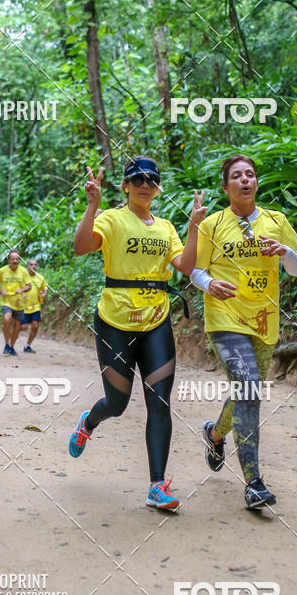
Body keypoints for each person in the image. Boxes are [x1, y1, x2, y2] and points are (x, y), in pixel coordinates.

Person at [69, 156, 207, 511]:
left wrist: (193, 227)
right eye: (138, 179)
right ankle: (89, 421)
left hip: (156, 320)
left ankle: (157, 485)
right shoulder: (113, 218)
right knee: (116, 404)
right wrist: (92, 206)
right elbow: (82, 247)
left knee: (159, 401)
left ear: (157, 187)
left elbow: (186, 267)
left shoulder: (165, 228)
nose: (145, 184)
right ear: (126, 186)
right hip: (114, 321)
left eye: (152, 179)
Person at [191, 155, 297, 510]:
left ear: (256, 183)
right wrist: (210, 284)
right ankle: (254, 482)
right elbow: (195, 270)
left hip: (264, 322)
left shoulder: (277, 221)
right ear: (226, 187)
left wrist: (285, 250)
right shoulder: (212, 224)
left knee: (247, 391)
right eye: (237, 176)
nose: (245, 180)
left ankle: (215, 433)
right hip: (225, 319)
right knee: (249, 386)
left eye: (250, 175)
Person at [0, 250, 31, 355]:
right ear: (9, 260)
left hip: (19, 303)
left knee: (16, 325)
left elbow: (29, 286)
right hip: (6, 301)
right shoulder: (2, 271)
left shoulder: (23, 271)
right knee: (6, 319)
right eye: (13, 259)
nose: (15, 261)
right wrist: (1, 291)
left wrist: (22, 290)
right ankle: (6, 343)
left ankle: (11, 346)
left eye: (17, 259)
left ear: (19, 260)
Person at [20, 258, 47, 353]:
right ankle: (14, 331)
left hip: (36, 307)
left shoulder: (40, 278)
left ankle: (27, 346)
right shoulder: (23, 277)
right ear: (27, 266)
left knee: (35, 326)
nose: (33, 266)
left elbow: (44, 289)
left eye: (35, 265)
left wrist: (44, 294)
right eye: (31, 265)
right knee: (23, 327)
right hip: (23, 307)